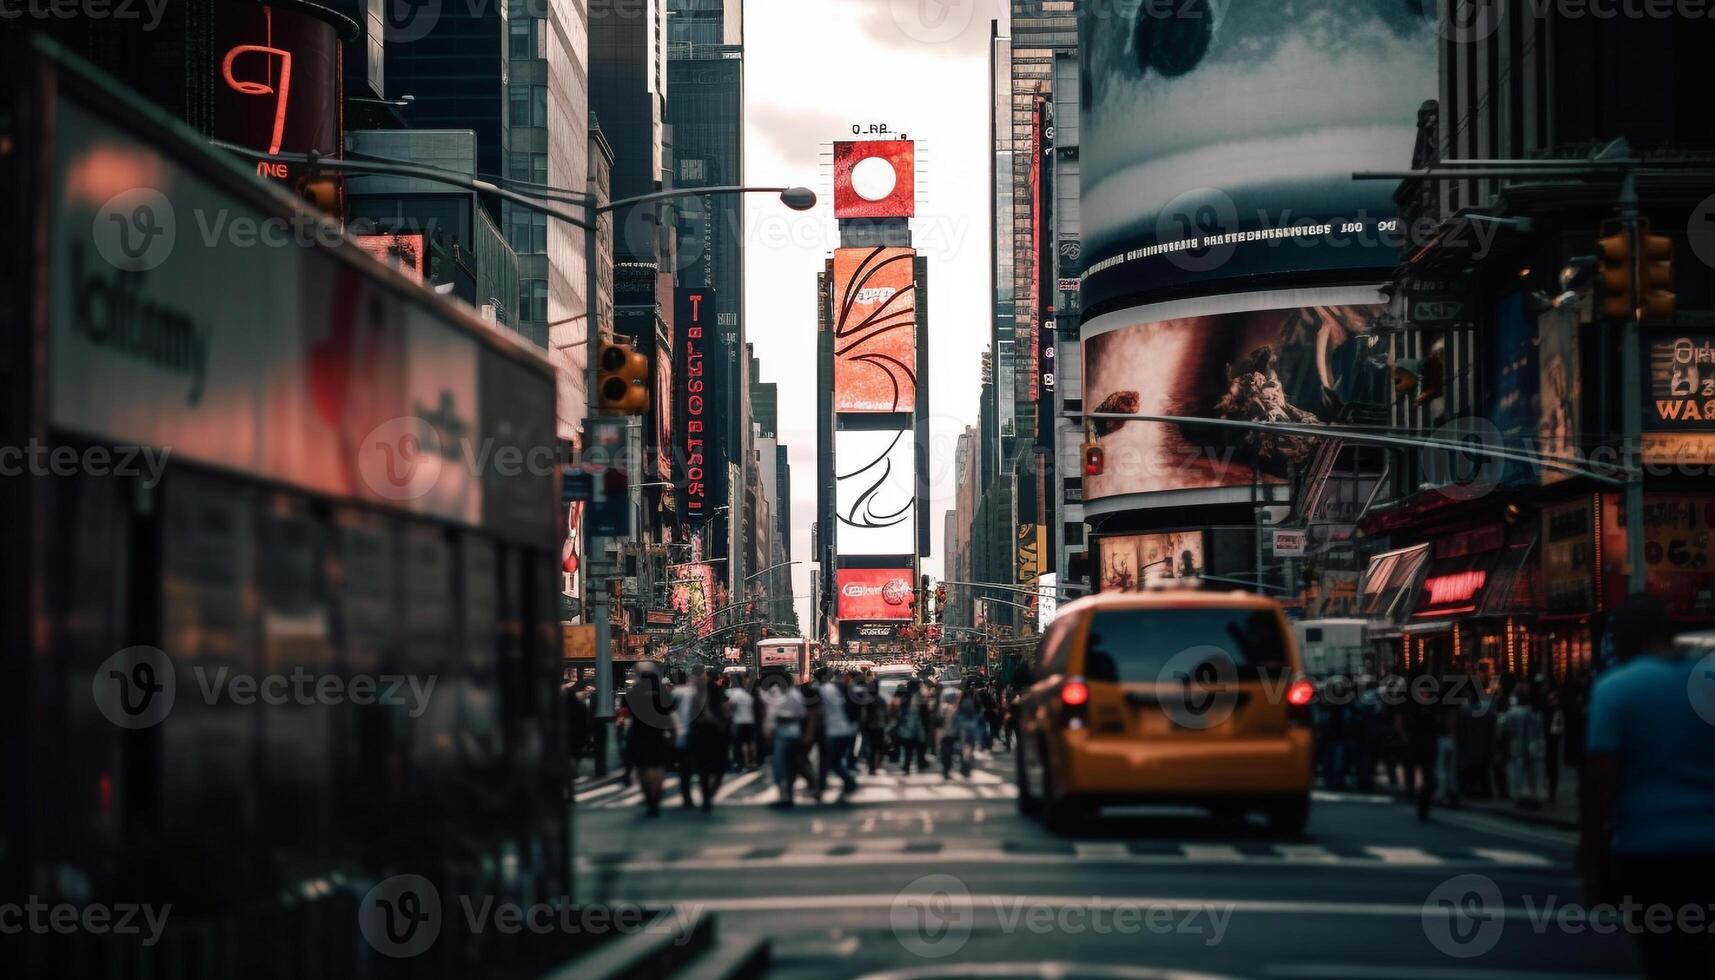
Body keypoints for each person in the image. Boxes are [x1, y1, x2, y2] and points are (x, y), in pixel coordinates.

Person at [1579, 594, 1715, 979]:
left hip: (1647, 848)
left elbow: (1599, 780)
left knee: (1660, 954)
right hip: (1708, 845)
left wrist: (1593, 851)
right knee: (1701, 953)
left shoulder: (1615, 689)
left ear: (1624, 639)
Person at [623, 666, 674, 817]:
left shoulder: (633, 693)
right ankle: (656, 796)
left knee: (643, 767)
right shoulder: (662, 693)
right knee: (657, 767)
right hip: (658, 733)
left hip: (638, 733)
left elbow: (626, 713)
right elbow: (669, 713)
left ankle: (649, 796)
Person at [759, 673, 807, 807]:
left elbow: (800, 714)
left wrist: (783, 719)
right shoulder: (783, 694)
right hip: (786, 734)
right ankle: (786, 795)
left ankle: (787, 795)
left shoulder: (788, 695)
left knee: (784, 766)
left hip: (786, 735)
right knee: (784, 766)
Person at [816, 667, 860, 802]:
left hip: (831, 731)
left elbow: (818, 711)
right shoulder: (843, 688)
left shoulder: (822, 690)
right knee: (831, 760)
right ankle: (821, 785)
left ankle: (848, 781)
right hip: (845, 729)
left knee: (829, 760)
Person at [892, 682, 928, 775]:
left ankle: (907, 766)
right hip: (917, 726)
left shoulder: (905, 697)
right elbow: (925, 712)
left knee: (908, 747)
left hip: (907, 726)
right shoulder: (920, 697)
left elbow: (900, 712)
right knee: (920, 746)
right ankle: (920, 764)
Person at [856, 670, 888, 775]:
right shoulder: (881, 700)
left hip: (870, 726)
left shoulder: (867, 699)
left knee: (871, 746)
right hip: (879, 726)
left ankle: (871, 766)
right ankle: (875, 765)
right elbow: (886, 714)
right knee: (878, 747)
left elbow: (863, 714)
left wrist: (862, 725)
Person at [728, 674, 757, 771]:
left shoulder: (735, 693)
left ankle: (745, 762)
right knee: (750, 742)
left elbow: (731, 705)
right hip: (750, 720)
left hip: (738, 721)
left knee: (742, 743)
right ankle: (752, 761)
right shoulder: (746, 694)